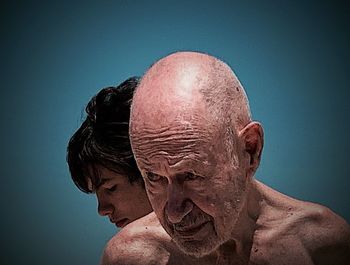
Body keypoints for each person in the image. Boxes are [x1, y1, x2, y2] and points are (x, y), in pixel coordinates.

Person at [129, 51, 350, 264]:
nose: (174, 214)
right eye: (153, 178)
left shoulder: (324, 246)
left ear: (250, 151)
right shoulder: (132, 256)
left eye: (190, 175)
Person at [67, 77, 215, 264]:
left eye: (111, 188)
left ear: (152, 172)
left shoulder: (132, 252)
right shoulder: (250, 229)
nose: (102, 209)